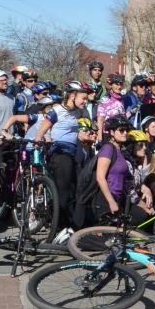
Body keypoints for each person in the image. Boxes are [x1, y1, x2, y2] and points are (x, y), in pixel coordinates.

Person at [33, 81, 92, 229]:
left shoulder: (80, 111)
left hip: (74, 152)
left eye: (86, 99)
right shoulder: (57, 110)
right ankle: (58, 226)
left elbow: (80, 130)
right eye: (83, 98)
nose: (85, 102)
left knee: (79, 188)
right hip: (59, 152)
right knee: (64, 191)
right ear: (72, 96)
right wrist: (39, 140)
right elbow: (42, 129)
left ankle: (74, 224)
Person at [94, 116, 153, 226]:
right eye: (121, 130)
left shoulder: (119, 151)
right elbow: (100, 178)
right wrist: (111, 202)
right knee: (105, 240)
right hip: (107, 199)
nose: (125, 133)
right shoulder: (108, 148)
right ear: (112, 132)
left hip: (118, 198)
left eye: (126, 130)